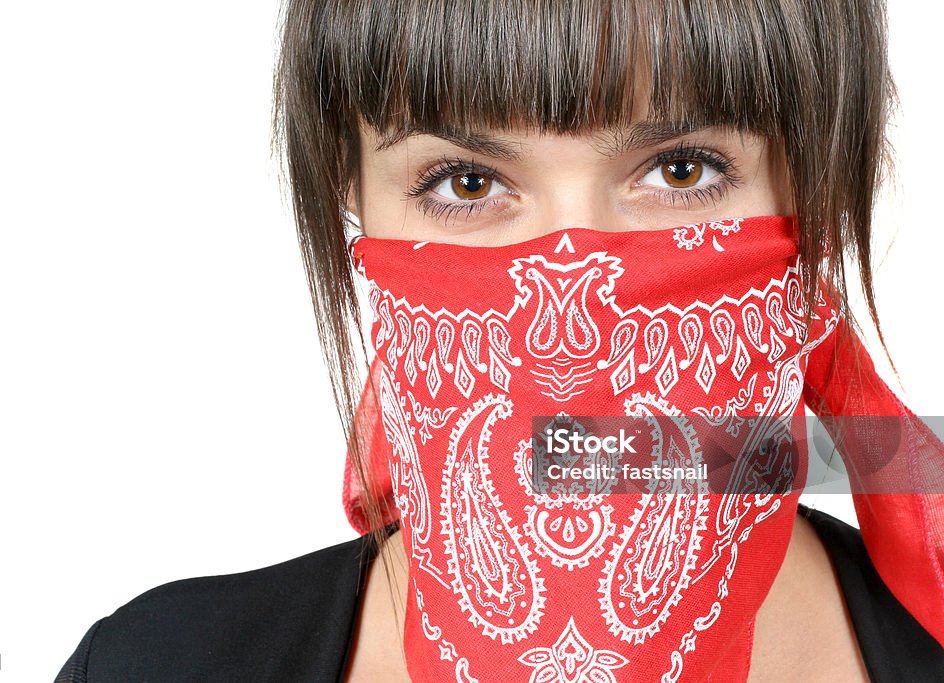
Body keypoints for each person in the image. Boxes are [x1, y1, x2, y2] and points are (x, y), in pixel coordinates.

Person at [55, 1, 944, 681]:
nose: (571, 283)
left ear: (821, 196)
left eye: (683, 170)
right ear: (352, 200)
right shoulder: (157, 664)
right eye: (469, 182)